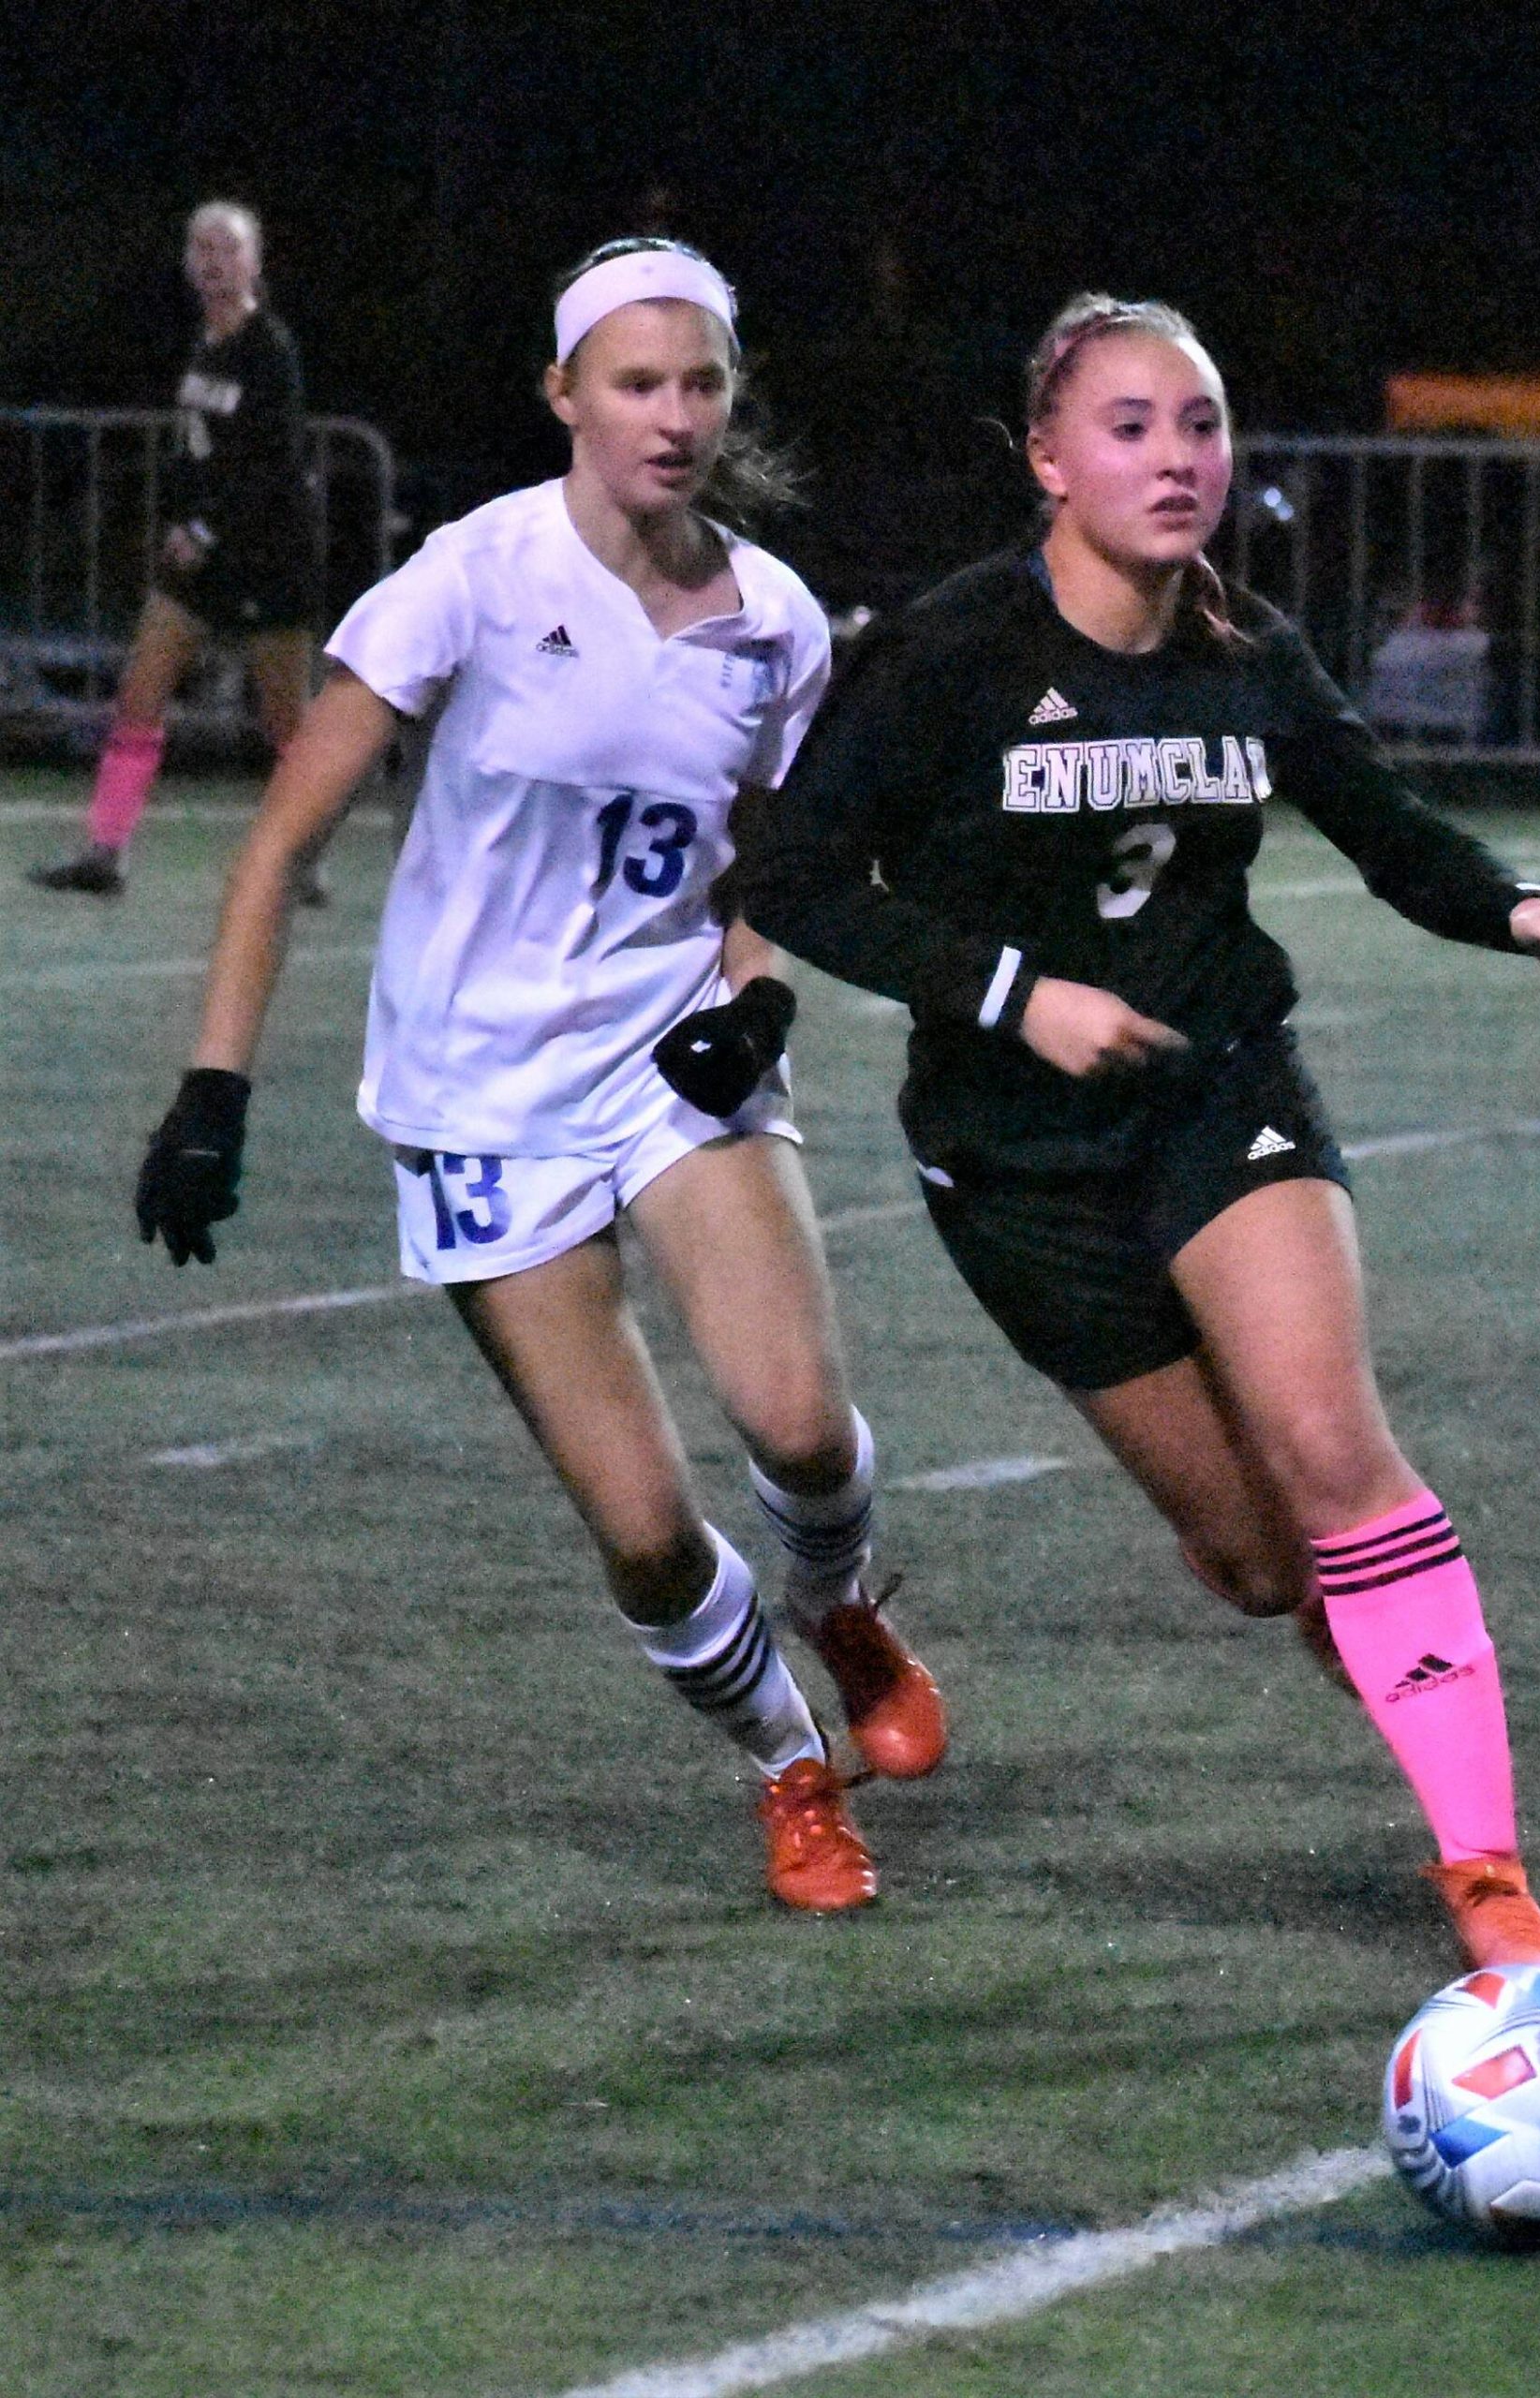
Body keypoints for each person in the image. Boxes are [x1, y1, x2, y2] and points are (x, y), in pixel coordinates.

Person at [742, 292, 1540, 1972]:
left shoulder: (1245, 652)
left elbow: (1389, 831)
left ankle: (1489, 1880)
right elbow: (787, 880)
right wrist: (1015, 995)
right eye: (1132, 426)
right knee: (1261, 1563)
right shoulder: (952, 653)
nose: (1176, 459)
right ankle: (1396, 1682)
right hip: (1018, 1164)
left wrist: (1514, 909)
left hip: (1222, 1095)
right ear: (1047, 459)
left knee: (1335, 1448)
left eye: (1201, 425)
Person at [131, 236, 947, 1913]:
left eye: (702, 384)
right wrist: (214, 1089)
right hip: (482, 1089)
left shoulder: (775, 621)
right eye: (637, 384)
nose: (674, 417)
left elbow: (776, 868)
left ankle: (843, 1601)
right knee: (645, 1532)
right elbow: (281, 841)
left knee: (800, 1427)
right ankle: (791, 1768)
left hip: (670, 1058)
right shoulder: (472, 577)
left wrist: (754, 1004)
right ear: (564, 394)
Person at [32, 201, 324, 902]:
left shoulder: (268, 350)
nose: (212, 261)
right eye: (201, 248)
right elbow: (201, 452)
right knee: (139, 695)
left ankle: (306, 857)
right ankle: (105, 854)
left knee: (286, 722)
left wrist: (206, 530)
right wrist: (179, 519)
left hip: (265, 558)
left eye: (227, 248)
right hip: (198, 562)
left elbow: (272, 466)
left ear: (253, 262)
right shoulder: (203, 344)